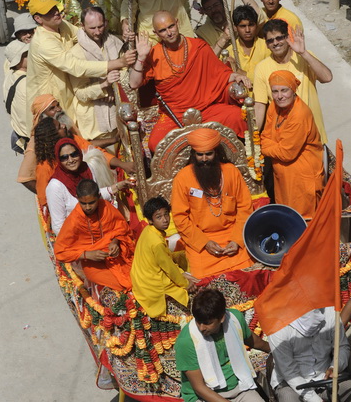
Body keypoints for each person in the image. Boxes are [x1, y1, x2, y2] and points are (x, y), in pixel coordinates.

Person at [131, 14, 249, 151]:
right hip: (174, 115)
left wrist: (236, 76)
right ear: (155, 33)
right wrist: (141, 57)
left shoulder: (198, 46)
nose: (169, 33)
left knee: (238, 117)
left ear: (177, 22)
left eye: (171, 26)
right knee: (156, 143)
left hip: (206, 109)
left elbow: (219, 73)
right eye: (163, 30)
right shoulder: (154, 54)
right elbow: (134, 83)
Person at [25, 0, 134, 132]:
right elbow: (75, 65)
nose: (56, 13)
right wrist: (116, 63)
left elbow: (85, 36)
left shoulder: (61, 24)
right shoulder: (43, 42)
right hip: (50, 103)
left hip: (69, 93)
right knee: (58, 140)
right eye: (49, 12)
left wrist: (120, 39)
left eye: (55, 8)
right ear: (38, 19)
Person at [170, 129, 253, 278]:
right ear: (193, 155)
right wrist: (204, 243)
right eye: (199, 155)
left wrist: (237, 240)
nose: (204, 159)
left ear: (216, 153)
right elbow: (180, 218)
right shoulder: (183, 178)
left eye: (208, 154)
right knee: (206, 282)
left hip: (233, 236)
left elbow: (245, 208)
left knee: (246, 277)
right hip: (200, 241)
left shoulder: (231, 172)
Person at [253, 20, 332, 143]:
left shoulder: (304, 58)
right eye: (270, 40)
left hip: (313, 137)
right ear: (266, 44)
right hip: (285, 141)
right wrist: (254, 136)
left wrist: (303, 53)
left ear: (288, 38)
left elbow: (327, 77)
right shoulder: (262, 68)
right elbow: (259, 106)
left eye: (279, 38)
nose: (275, 43)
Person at [260, 70, 324, 217]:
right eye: (275, 91)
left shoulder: (299, 114)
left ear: (293, 90)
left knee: (301, 223)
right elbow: (265, 135)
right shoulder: (274, 106)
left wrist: (265, 146)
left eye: (284, 90)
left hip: (302, 179)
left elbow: (286, 153)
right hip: (283, 178)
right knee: (286, 218)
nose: (279, 96)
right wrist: (271, 144)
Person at [54, 179, 135, 290]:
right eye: (83, 203)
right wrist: (87, 255)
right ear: (77, 198)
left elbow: (121, 228)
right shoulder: (74, 220)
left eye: (91, 203)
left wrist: (115, 242)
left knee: (136, 274)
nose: (88, 207)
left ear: (98, 196)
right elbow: (60, 251)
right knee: (123, 284)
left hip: (116, 255)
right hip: (92, 263)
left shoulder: (106, 207)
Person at [130, 196, 196, 315]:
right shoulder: (156, 242)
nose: (165, 220)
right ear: (150, 220)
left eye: (166, 214)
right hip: (152, 283)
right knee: (190, 291)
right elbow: (169, 268)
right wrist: (186, 284)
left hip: (140, 278)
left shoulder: (148, 230)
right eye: (159, 217)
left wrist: (181, 272)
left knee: (182, 257)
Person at [69, 6, 124, 143]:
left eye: (100, 26)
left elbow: (126, 72)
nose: (98, 32)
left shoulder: (115, 42)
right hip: (95, 125)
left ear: (105, 22)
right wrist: (104, 85)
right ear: (82, 26)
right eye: (92, 28)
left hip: (119, 114)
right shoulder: (76, 53)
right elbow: (80, 94)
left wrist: (113, 88)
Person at [46, 138, 120, 234]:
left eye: (74, 154)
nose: (71, 160)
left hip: (100, 228)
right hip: (77, 236)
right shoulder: (55, 186)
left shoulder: (87, 169)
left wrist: (119, 186)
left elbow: (95, 195)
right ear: (58, 160)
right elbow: (58, 226)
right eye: (64, 157)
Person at [3, 40, 28, 153]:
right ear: (18, 62)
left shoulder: (9, 76)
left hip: (22, 136)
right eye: (26, 55)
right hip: (33, 138)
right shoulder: (27, 84)